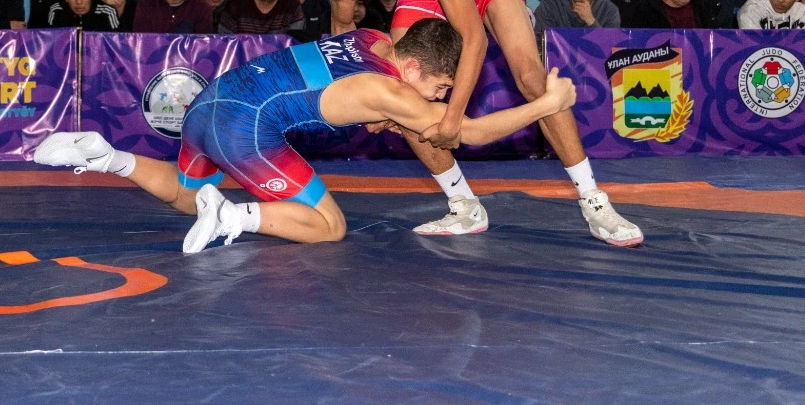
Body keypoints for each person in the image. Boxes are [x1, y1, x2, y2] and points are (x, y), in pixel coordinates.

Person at [33, 21, 576, 252]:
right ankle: (234, 217)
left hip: (211, 102)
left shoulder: (369, 38)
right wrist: (546, 105)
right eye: (440, 87)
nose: (441, 99)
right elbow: (469, 134)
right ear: (411, 67)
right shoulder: (392, 92)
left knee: (184, 193)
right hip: (243, 127)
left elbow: (343, 92)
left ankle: (107, 157)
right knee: (329, 226)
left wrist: (391, 112)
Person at [318, 0, 642, 246]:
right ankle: (464, 206)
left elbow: (475, 39)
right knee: (402, 86)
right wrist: (369, 101)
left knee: (531, 77)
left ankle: (594, 201)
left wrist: (452, 119)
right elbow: (344, 39)